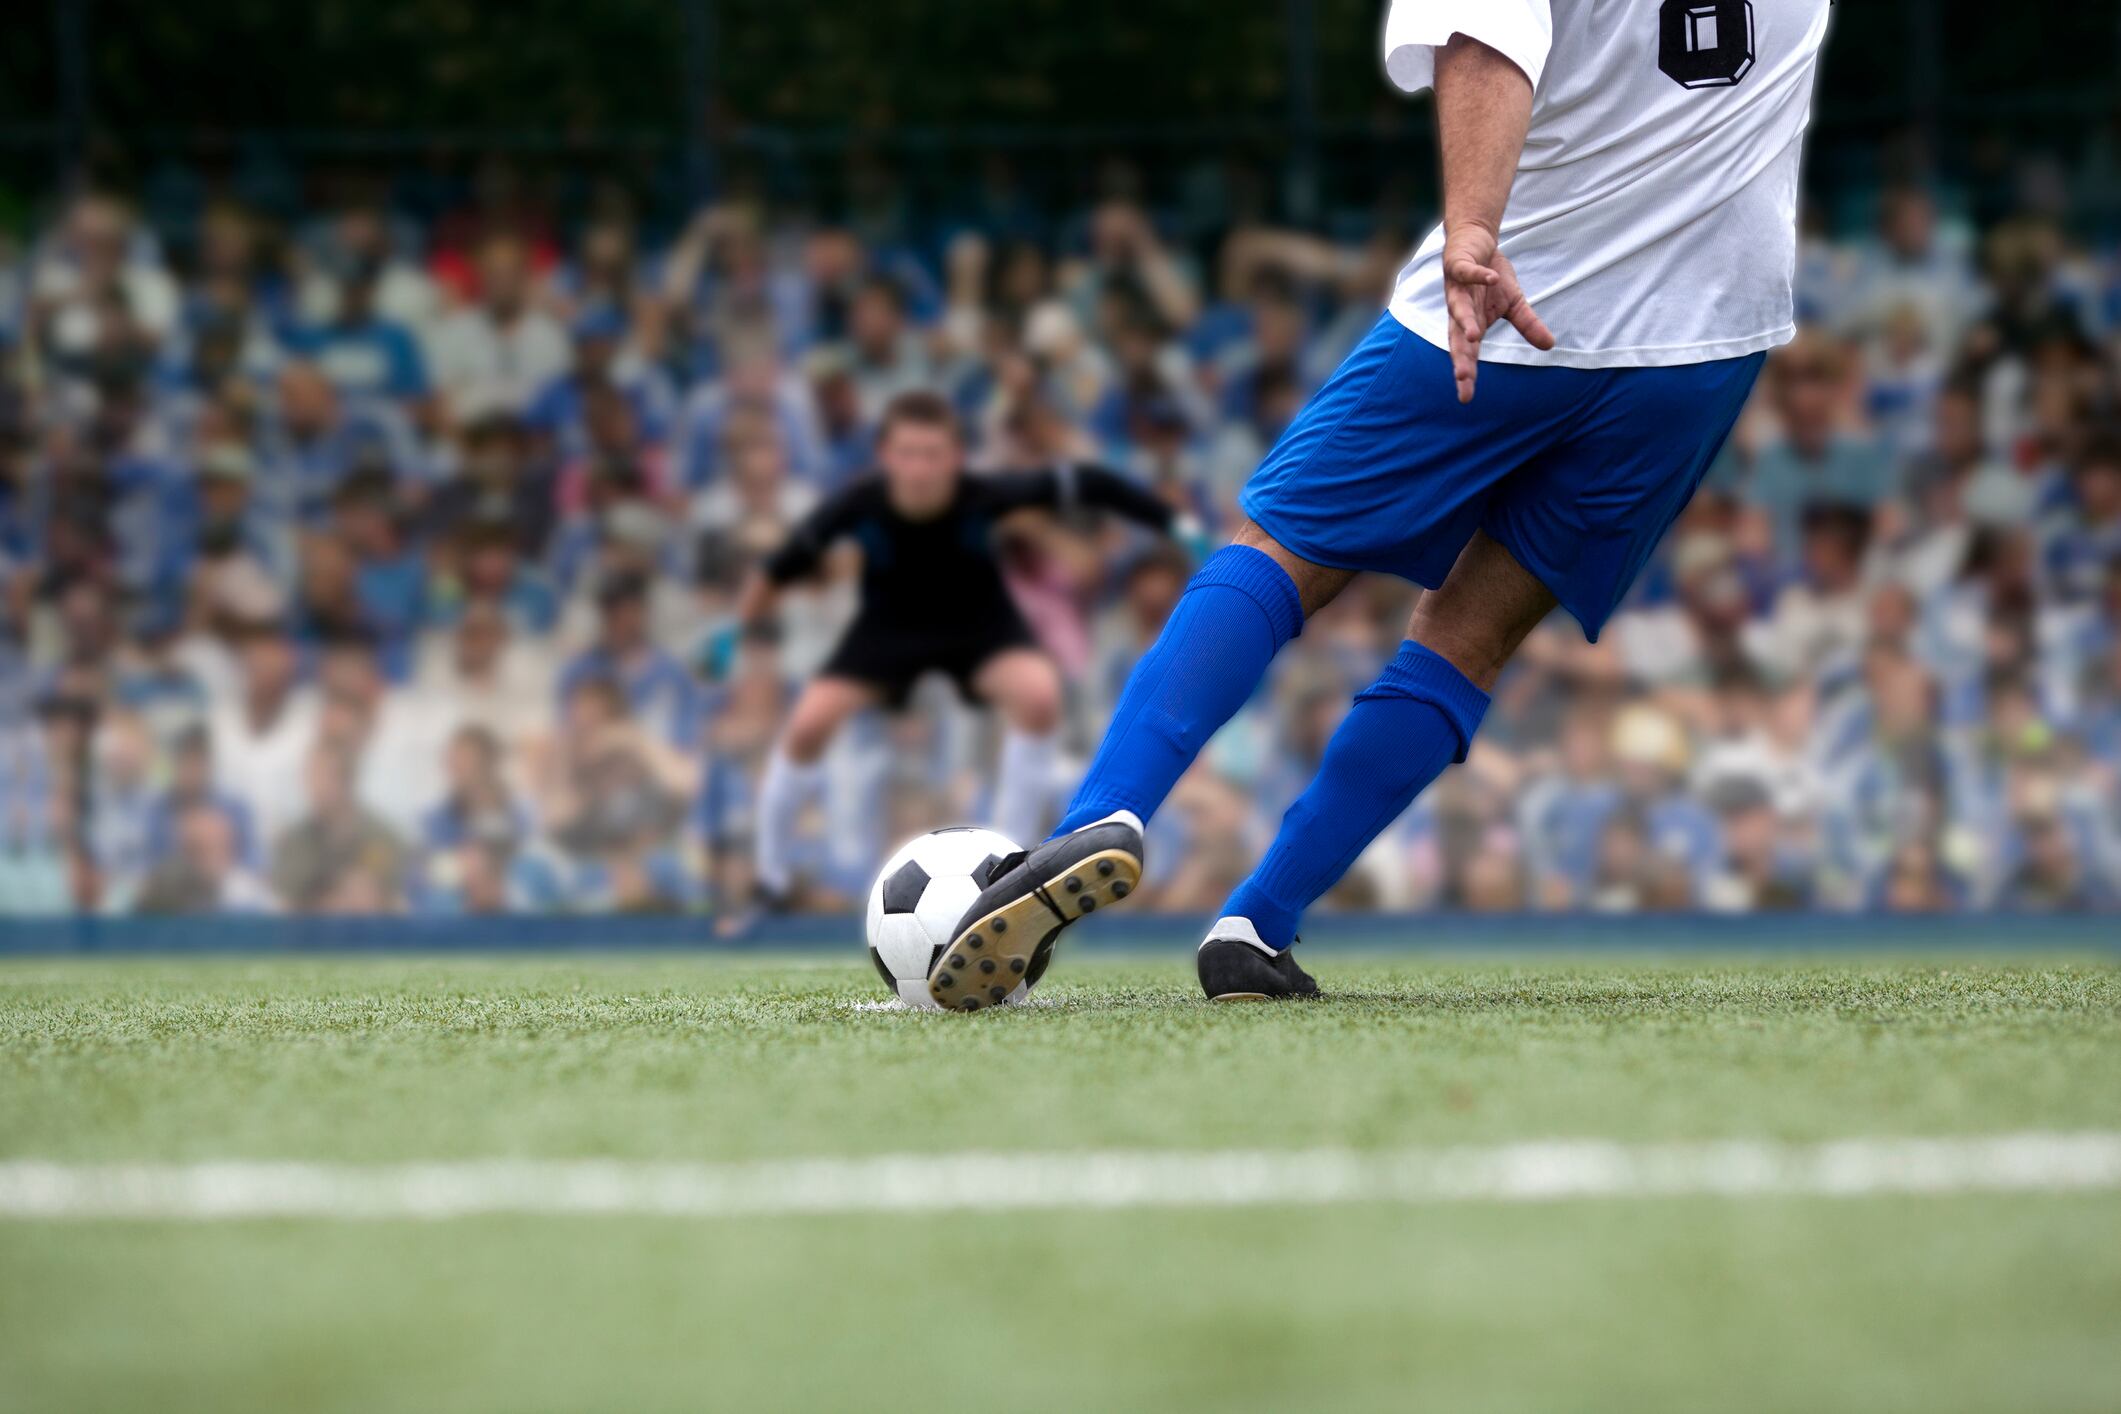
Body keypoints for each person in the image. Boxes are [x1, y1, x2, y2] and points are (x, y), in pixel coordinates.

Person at [934, 0, 1836, 1007]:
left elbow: (1489, 35)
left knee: (1281, 551)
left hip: (1510, 295)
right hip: (1701, 345)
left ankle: (1104, 813)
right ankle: (1257, 924)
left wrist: (1474, 234)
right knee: (1469, 635)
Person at [736, 389, 1182, 907]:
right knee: (809, 721)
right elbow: (779, 567)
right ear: (885, 457)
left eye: (933, 454)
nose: (920, 468)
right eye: (907, 453)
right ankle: (769, 878)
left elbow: (1092, 483)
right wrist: (735, 633)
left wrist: (1173, 523)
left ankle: (1012, 866)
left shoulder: (986, 495)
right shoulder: (859, 504)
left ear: (955, 458)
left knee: (1038, 693)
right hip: (888, 628)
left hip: (976, 624)